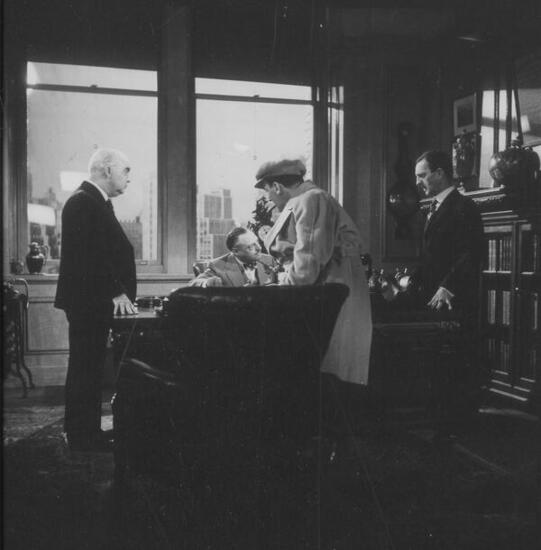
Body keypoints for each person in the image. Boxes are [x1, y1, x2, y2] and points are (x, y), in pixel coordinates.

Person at [256, 158, 372, 387]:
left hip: (334, 285)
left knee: (334, 367)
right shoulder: (304, 199)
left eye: (267, 191)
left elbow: (307, 264)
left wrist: (282, 295)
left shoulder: (311, 199)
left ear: (277, 186)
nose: (268, 199)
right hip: (328, 285)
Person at [55, 148, 137, 452]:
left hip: (92, 301)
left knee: (89, 368)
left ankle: (85, 432)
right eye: (125, 170)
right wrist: (116, 290)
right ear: (107, 169)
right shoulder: (83, 202)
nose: (128, 178)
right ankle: (81, 436)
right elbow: (91, 256)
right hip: (89, 302)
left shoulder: (94, 201)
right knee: (85, 368)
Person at [413, 150, 484, 432]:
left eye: (422, 175)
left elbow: (471, 253)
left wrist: (448, 286)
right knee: (439, 361)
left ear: (440, 173)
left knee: (456, 359)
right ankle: (441, 419)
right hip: (433, 296)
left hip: (455, 297)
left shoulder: (464, 206)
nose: (418, 182)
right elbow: (431, 256)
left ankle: (458, 423)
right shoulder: (434, 207)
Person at [189, 226, 278, 287]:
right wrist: (208, 283)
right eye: (250, 247)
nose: (259, 248)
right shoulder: (218, 265)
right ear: (236, 251)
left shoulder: (269, 260)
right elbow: (195, 284)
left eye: (257, 242)